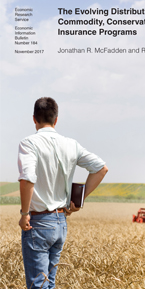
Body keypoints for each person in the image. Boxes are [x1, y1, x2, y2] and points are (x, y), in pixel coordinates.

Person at [18, 97, 108, 289]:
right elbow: (101, 169)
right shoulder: (71, 144)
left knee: (39, 286)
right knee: (49, 284)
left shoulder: (29, 143)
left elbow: (27, 178)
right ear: (56, 120)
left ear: (34, 119)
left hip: (38, 223)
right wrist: (79, 199)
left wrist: (25, 214)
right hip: (60, 223)